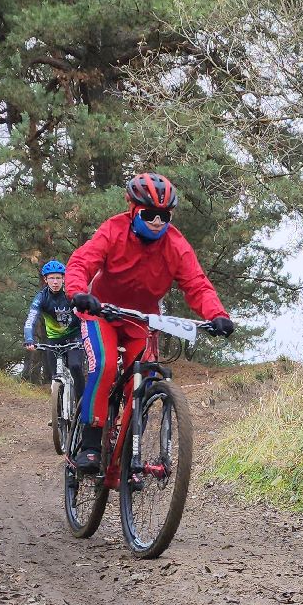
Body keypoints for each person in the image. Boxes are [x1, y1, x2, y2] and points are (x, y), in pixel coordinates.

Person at [64, 173, 235, 471]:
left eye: (164, 216)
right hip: (100, 312)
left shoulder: (176, 245)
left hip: (140, 320)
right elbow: (82, 261)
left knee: (142, 383)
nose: (157, 222)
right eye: (150, 214)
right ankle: (90, 444)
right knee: (103, 366)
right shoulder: (112, 230)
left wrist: (218, 315)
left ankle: (130, 450)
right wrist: (79, 292)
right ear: (133, 209)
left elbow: (197, 284)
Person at [23, 260, 76, 388]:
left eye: (58, 278)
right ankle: (57, 405)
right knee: (54, 377)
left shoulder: (71, 294)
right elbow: (31, 319)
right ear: (45, 280)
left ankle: (82, 404)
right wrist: (29, 339)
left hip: (74, 336)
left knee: (76, 367)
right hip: (53, 339)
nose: (55, 282)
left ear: (64, 278)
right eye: (52, 278)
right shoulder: (41, 297)